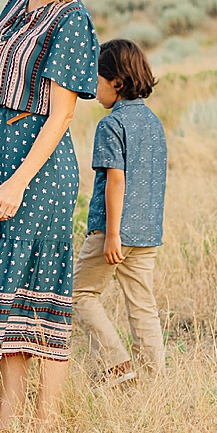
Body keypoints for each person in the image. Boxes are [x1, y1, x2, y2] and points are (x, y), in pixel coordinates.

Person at [0, 0, 100, 433]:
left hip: (35, 169)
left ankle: (44, 425)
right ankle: (7, 420)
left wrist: (18, 182)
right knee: (7, 291)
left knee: (40, 290)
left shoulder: (72, 18)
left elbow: (62, 112)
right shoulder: (18, 4)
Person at [72, 38, 169, 387]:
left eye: (96, 81)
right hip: (147, 233)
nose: (92, 89)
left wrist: (112, 234)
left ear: (117, 82)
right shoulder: (154, 124)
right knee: (143, 305)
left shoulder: (111, 125)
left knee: (79, 293)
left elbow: (116, 181)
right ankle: (153, 381)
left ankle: (115, 362)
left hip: (112, 232)